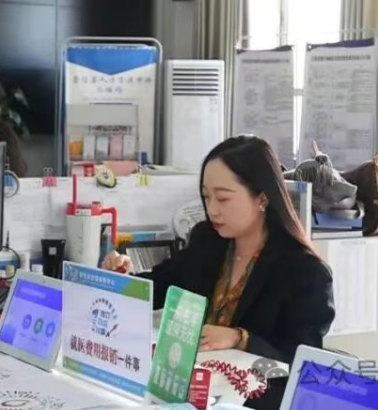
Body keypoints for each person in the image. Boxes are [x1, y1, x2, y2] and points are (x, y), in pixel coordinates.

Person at [102, 136, 334, 408]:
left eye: (223, 198)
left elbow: (302, 364)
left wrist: (240, 339)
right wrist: (121, 279)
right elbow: (159, 287)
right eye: (206, 196)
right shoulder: (208, 241)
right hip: (186, 392)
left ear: (262, 198)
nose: (212, 209)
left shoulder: (305, 272)